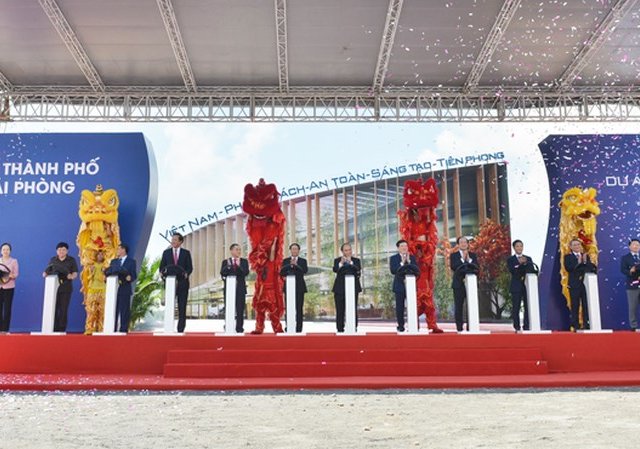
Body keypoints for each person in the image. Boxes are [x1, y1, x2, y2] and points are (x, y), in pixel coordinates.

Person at [159, 233, 193, 333]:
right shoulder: (166, 253)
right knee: (170, 306)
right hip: (170, 283)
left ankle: (180, 329)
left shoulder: (186, 253)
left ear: (180, 241)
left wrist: (186, 274)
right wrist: (162, 273)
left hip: (182, 283)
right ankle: (169, 328)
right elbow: (162, 267)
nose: (173, 241)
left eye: (175, 240)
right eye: (172, 239)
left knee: (182, 306)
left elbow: (190, 268)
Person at [43, 242, 79, 332]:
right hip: (53, 288)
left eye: (63, 250)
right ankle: (53, 328)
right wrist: (45, 273)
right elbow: (47, 270)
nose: (61, 251)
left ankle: (61, 329)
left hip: (66, 287)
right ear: (56, 251)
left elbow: (75, 273)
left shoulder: (71, 260)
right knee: (54, 308)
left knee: (63, 309)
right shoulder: (53, 260)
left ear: (67, 251)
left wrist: (72, 276)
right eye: (59, 250)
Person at [564, 238, 596, 332]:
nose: (577, 246)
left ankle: (586, 324)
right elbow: (568, 268)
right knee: (575, 305)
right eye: (574, 245)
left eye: (578, 244)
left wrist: (585, 262)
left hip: (586, 284)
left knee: (586, 304)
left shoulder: (585, 256)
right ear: (570, 247)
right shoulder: (568, 257)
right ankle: (575, 325)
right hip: (574, 284)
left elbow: (590, 268)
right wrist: (578, 262)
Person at [105, 244, 137, 333]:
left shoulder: (131, 262)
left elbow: (134, 275)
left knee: (124, 310)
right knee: (113, 309)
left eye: (119, 249)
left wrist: (130, 277)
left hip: (125, 288)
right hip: (113, 289)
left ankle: (123, 329)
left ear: (124, 250)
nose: (117, 251)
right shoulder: (113, 261)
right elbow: (110, 272)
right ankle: (113, 328)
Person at [450, 236, 479, 332]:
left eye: (465, 242)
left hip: (471, 284)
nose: (463, 244)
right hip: (458, 284)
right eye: (461, 242)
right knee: (459, 306)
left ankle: (471, 326)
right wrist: (463, 259)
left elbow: (476, 267)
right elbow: (454, 266)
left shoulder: (473, 255)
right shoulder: (454, 255)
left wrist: (469, 259)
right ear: (458, 245)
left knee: (471, 305)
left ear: (468, 244)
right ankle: (459, 327)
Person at [389, 239, 419, 332]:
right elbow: (393, 270)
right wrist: (402, 263)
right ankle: (401, 326)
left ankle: (414, 325)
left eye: (405, 246)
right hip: (399, 285)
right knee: (400, 307)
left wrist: (409, 262)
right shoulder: (394, 258)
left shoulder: (412, 258)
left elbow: (416, 270)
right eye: (402, 246)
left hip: (411, 285)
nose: (404, 248)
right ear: (398, 248)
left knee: (412, 306)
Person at [332, 242, 362, 333]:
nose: (348, 252)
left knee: (353, 308)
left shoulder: (356, 260)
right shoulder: (337, 260)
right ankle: (340, 329)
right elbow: (335, 269)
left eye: (349, 250)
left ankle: (353, 327)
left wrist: (350, 262)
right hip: (339, 289)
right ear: (342, 251)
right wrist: (341, 263)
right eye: (346, 250)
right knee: (340, 310)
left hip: (353, 288)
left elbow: (358, 269)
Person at [220, 243, 250, 333]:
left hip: (240, 289)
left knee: (240, 309)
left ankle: (239, 328)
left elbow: (245, 272)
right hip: (229, 289)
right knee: (229, 308)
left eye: (239, 249)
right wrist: (229, 266)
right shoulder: (226, 262)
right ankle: (228, 325)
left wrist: (237, 266)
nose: (239, 251)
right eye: (236, 249)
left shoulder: (244, 261)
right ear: (231, 251)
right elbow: (222, 273)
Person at [507, 239, 535, 332]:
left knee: (528, 306)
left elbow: (531, 269)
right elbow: (513, 271)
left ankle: (527, 325)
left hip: (527, 285)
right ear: (514, 248)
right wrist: (520, 264)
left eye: (521, 246)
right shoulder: (511, 259)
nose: (519, 248)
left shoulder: (528, 258)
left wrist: (525, 264)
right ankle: (517, 326)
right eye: (517, 246)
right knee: (516, 307)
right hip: (516, 285)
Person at [281, 243, 308, 333]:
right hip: (288, 288)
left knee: (299, 308)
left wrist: (296, 265)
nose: (294, 250)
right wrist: (290, 265)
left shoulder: (303, 261)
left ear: (299, 250)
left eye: (296, 249)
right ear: (290, 250)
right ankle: (288, 326)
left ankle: (299, 328)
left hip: (299, 288)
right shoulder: (285, 261)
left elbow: (304, 271)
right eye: (293, 249)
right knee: (288, 308)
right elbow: (282, 272)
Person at [84, 250, 107, 334]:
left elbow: (106, 279)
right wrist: (91, 270)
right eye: (98, 254)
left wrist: (105, 272)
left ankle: (101, 328)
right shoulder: (91, 265)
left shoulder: (106, 266)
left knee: (102, 310)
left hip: (102, 289)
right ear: (96, 256)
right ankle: (90, 328)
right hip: (92, 289)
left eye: (102, 254)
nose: (100, 256)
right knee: (91, 310)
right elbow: (87, 277)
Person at [620, 238, 640, 331]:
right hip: (632, 285)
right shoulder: (625, 258)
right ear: (629, 246)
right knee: (632, 307)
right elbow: (623, 270)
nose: (636, 246)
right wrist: (630, 271)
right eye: (634, 244)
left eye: (638, 245)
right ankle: (633, 326)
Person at [0, 243, 19, 332]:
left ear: (10, 251)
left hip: (9, 288)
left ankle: (5, 329)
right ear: (1, 251)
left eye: (7, 249)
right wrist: (6, 275)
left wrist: (8, 275)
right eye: (4, 249)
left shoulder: (14, 261)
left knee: (7, 309)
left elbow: (15, 274)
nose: (5, 251)